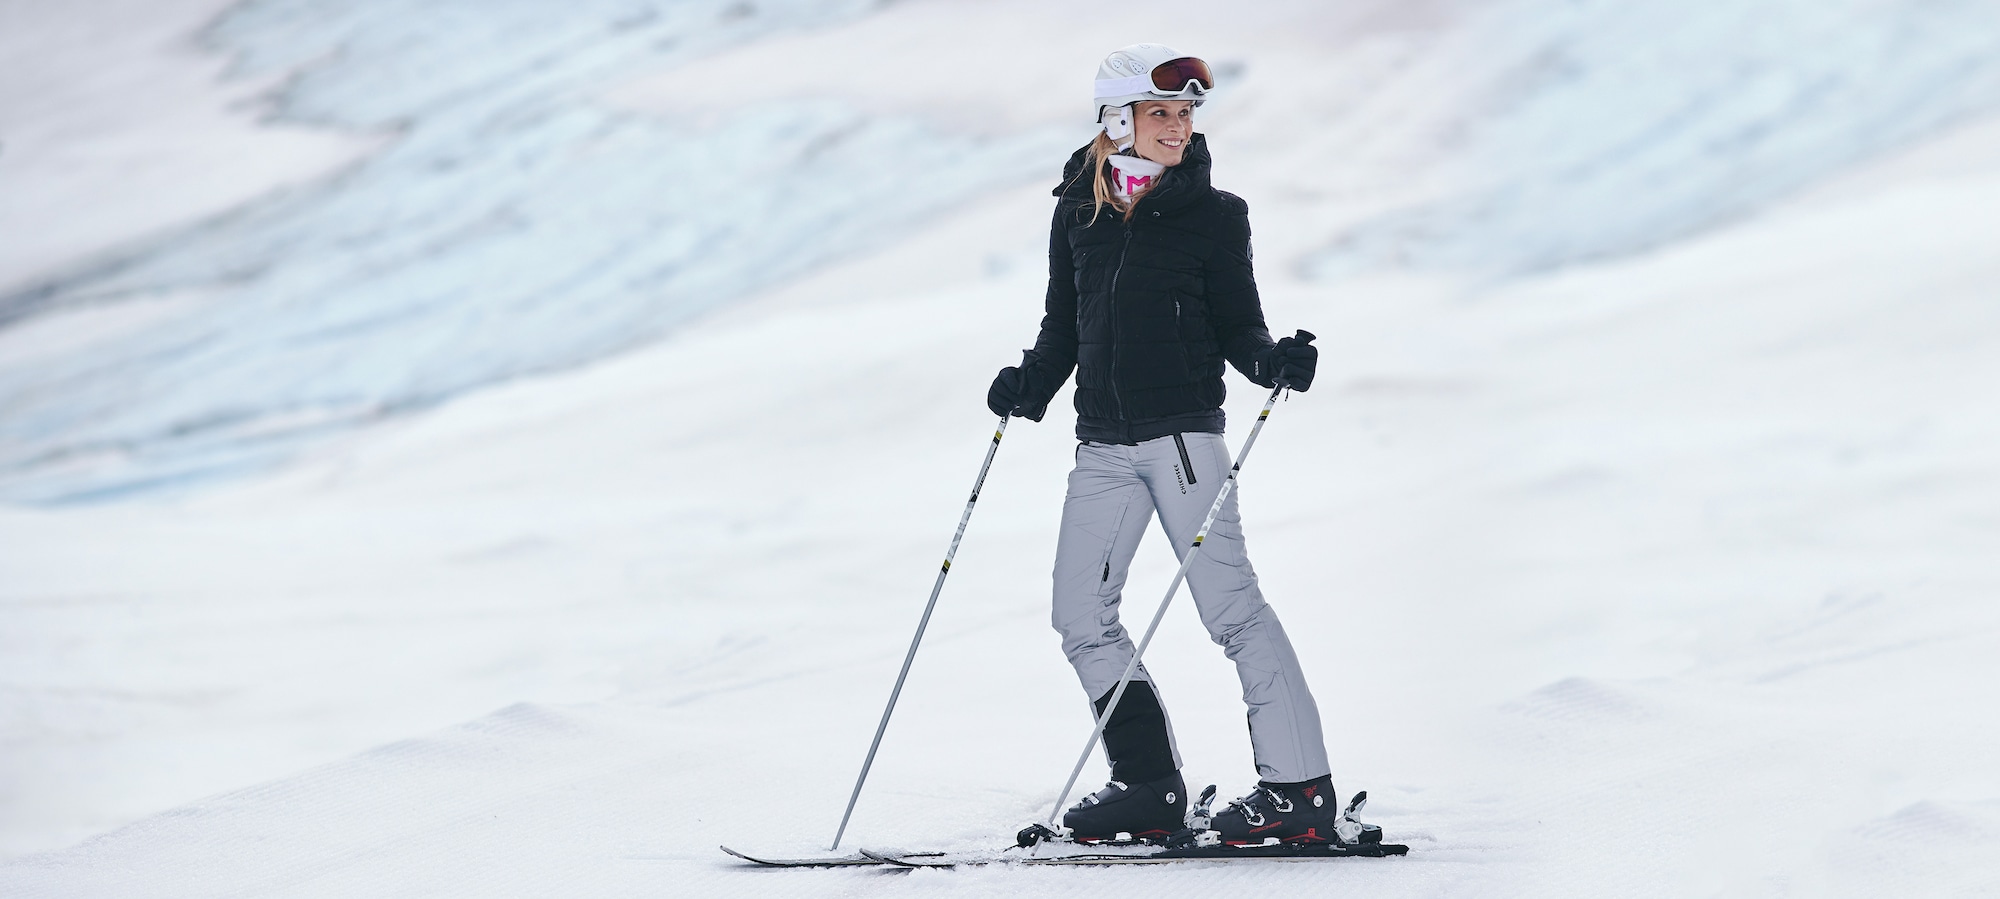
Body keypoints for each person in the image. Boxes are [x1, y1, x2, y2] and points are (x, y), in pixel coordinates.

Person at [987, 43, 1336, 846]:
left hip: (1183, 438)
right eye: (1162, 113)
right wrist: (1028, 386)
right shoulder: (1076, 212)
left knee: (1232, 610)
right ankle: (1148, 785)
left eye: (1185, 115)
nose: (1179, 128)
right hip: (1102, 444)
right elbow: (1064, 326)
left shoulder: (1215, 215)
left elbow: (1239, 325)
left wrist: (1272, 362)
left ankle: (1299, 789)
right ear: (1118, 120)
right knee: (1081, 615)